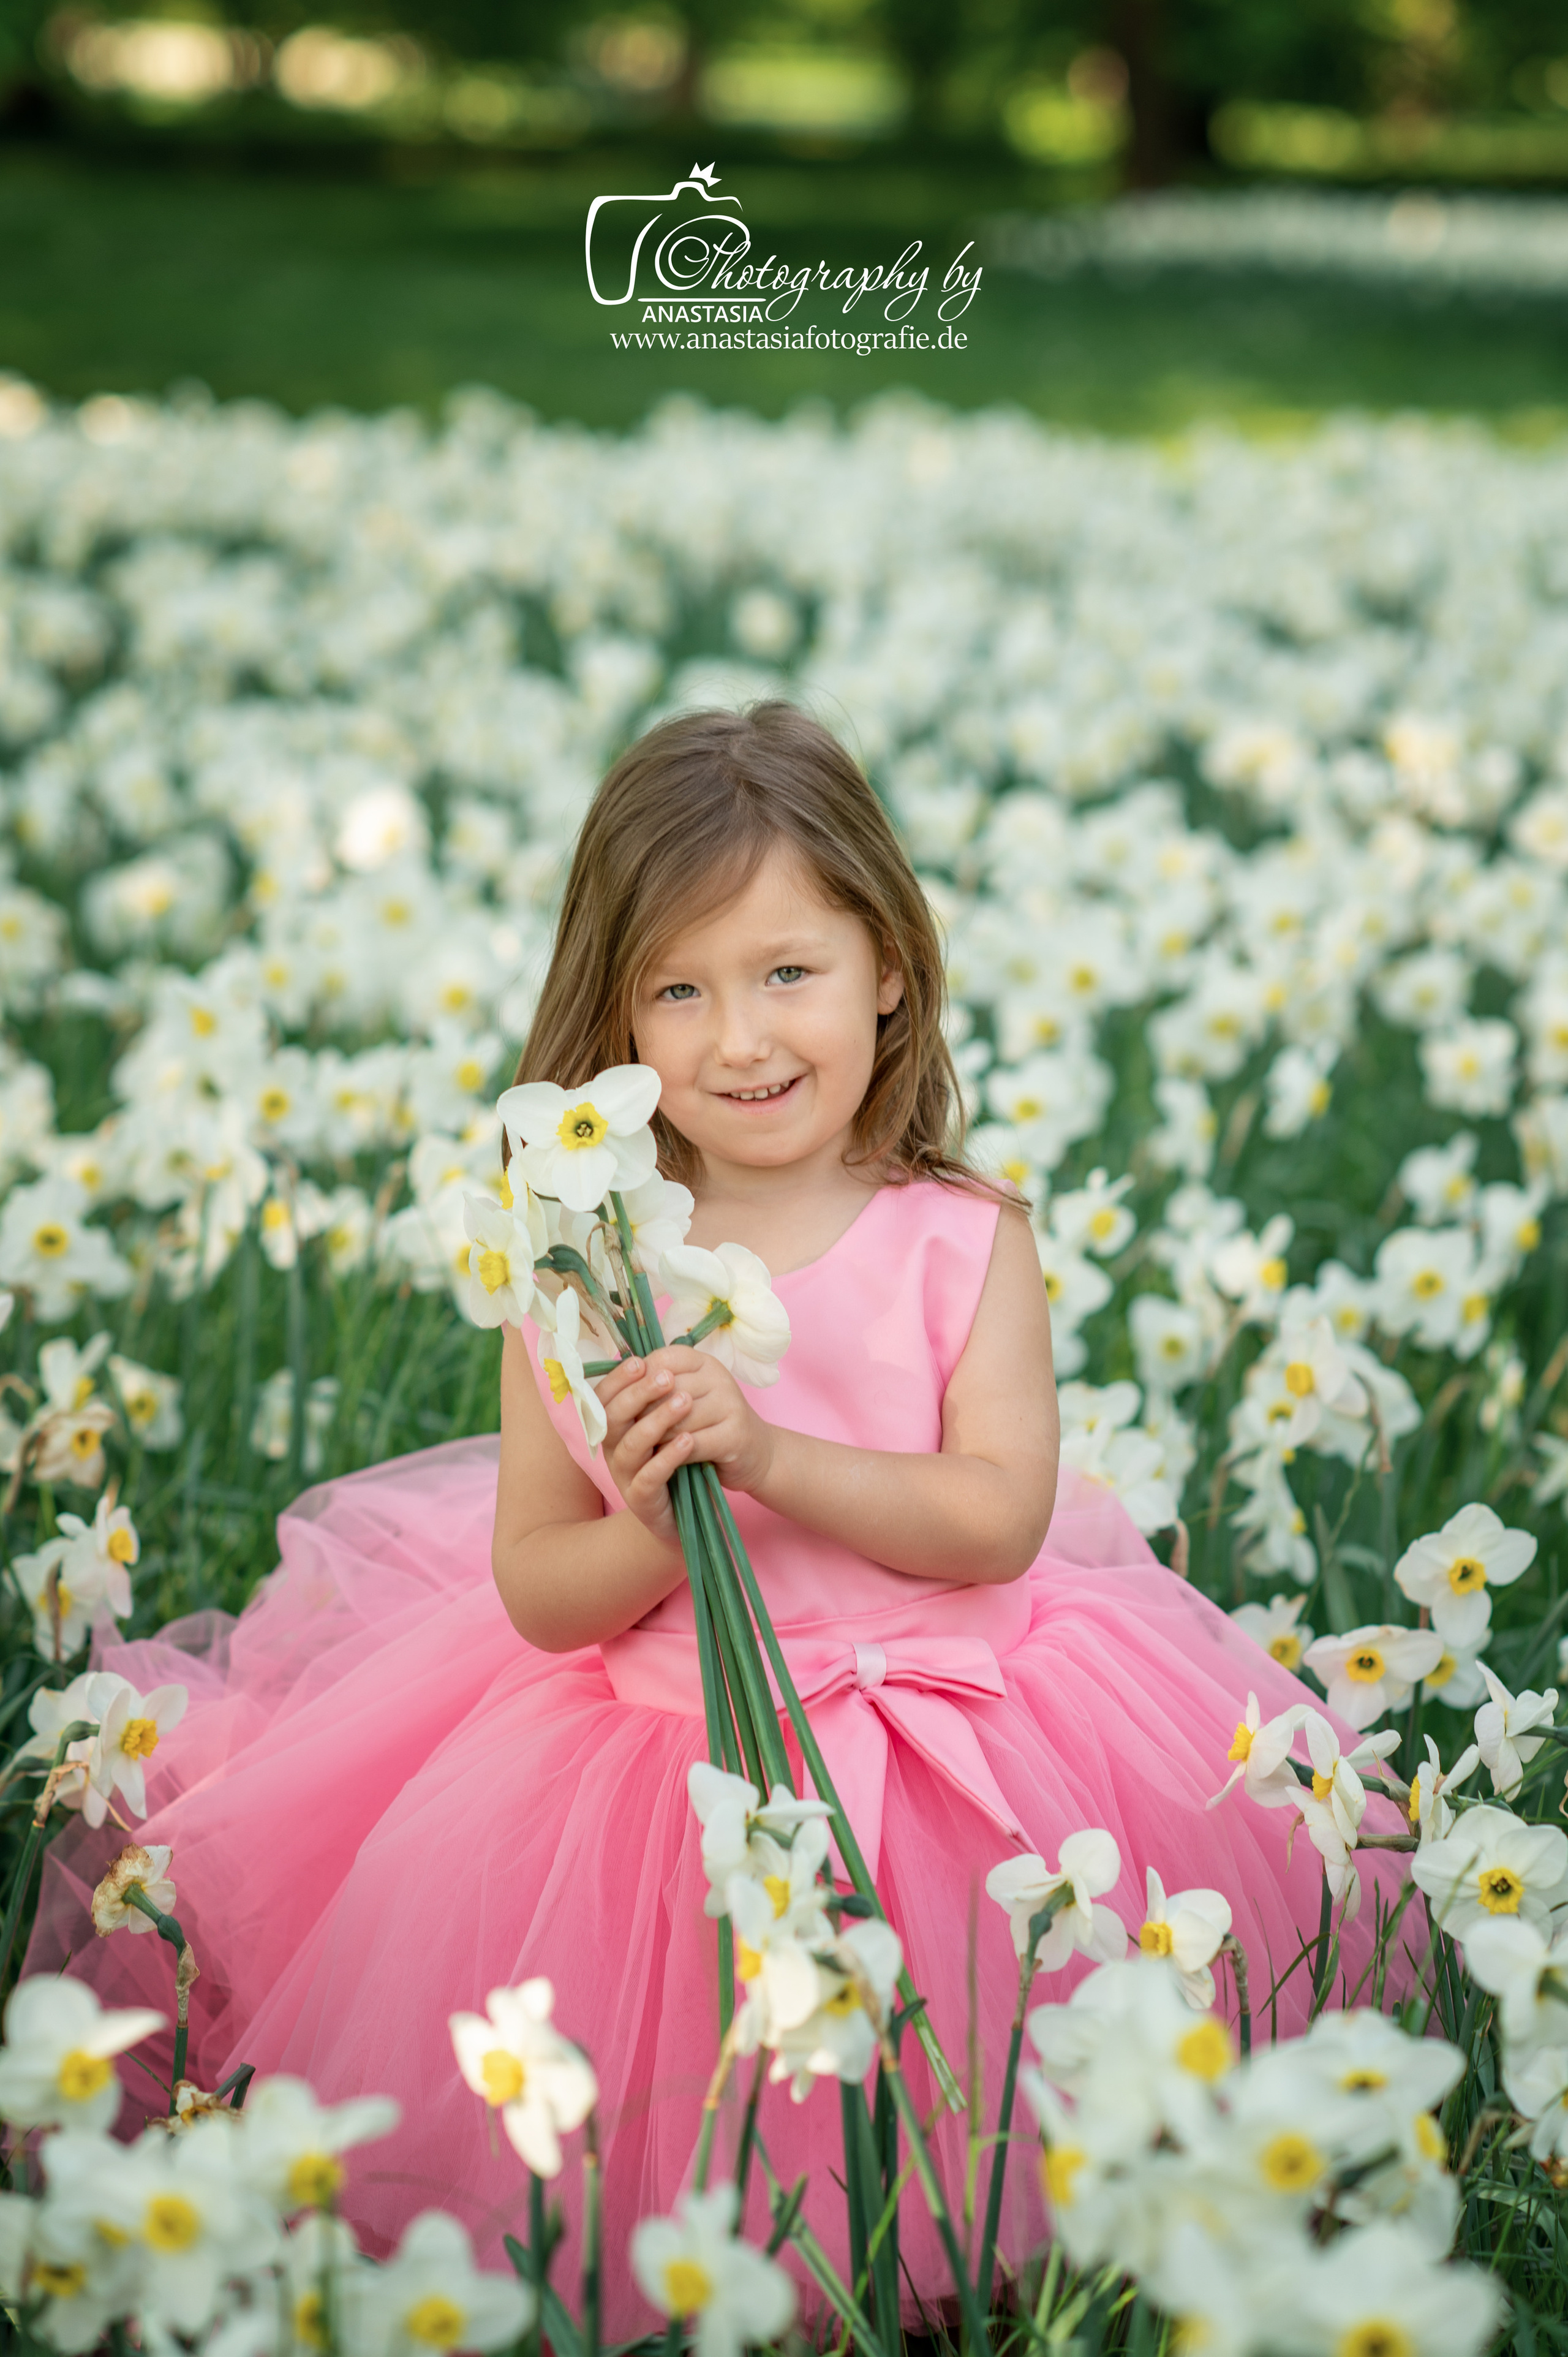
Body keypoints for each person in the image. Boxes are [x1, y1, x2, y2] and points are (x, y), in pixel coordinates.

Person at [26, 702, 1405, 2330]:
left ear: (890, 964)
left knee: (989, 2080)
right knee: (657, 2126)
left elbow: (996, 1519)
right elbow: (542, 1585)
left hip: (973, 1746)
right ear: (611, 1018)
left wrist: (763, 1458)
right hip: (651, 1761)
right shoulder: (581, 1264)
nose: (740, 1038)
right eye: (678, 989)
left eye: (786, 974)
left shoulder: (964, 1235)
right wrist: (670, 1522)